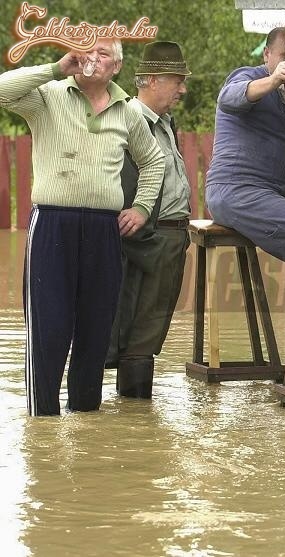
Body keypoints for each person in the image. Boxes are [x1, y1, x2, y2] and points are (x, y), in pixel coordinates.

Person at [0, 39, 165, 416]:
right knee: (50, 328)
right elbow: (2, 91)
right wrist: (57, 68)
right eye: (86, 49)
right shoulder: (49, 95)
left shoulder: (127, 110)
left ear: (117, 67)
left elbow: (154, 161)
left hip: (104, 229)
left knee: (96, 329)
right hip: (53, 223)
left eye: (103, 53)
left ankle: (87, 422)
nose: (93, 58)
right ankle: (42, 423)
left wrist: (140, 207)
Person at [205, 26, 285, 358]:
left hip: (270, 196)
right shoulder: (249, 77)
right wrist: (275, 78)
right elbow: (231, 97)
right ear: (268, 56)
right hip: (235, 191)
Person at [105, 41, 191, 399]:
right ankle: (135, 422)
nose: (183, 89)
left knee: (140, 332)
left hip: (164, 237)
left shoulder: (164, 122)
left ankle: (128, 429)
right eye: (177, 80)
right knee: (141, 334)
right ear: (152, 80)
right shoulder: (131, 121)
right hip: (150, 238)